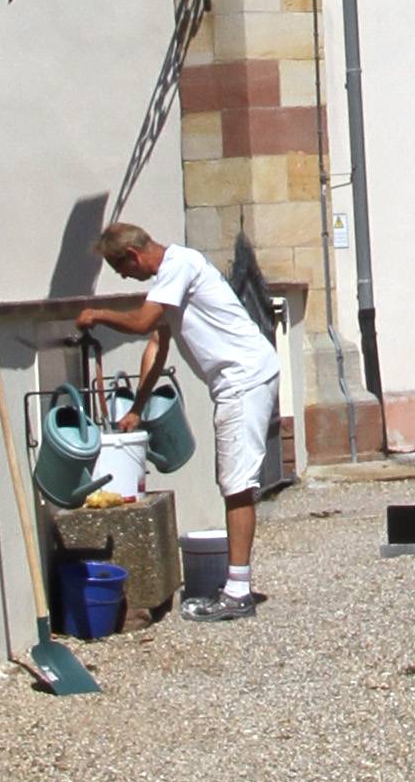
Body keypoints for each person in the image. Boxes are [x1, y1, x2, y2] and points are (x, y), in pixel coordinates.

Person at [80, 219, 280, 614]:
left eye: (123, 270)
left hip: (242, 377)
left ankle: (238, 594)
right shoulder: (172, 280)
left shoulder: (179, 266)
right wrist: (136, 408)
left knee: (237, 483)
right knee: (232, 480)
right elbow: (157, 344)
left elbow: (142, 323)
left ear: (135, 256)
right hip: (239, 377)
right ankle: (236, 585)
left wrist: (98, 314)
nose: (126, 277)